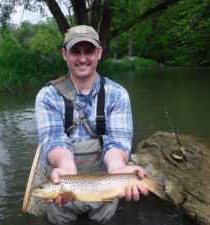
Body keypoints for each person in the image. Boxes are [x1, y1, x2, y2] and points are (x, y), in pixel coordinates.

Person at [35, 25, 148, 225]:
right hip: (63, 174)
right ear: (64, 54)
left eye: (89, 51)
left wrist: (118, 167)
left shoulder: (117, 94)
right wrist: (65, 166)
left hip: (105, 182)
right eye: (75, 51)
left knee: (103, 220)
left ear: (99, 52)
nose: (82, 58)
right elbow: (53, 138)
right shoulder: (47, 96)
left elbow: (117, 140)